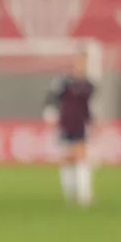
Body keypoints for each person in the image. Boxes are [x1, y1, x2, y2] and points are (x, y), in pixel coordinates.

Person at [44, 53, 95, 208]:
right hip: (66, 122)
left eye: (84, 63)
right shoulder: (64, 82)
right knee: (67, 157)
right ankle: (70, 192)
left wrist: (91, 122)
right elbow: (51, 98)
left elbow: (86, 108)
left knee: (81, 154)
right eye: (80, 62)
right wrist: (50, 115)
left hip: (80, 124)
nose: (82, 66)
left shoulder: (89, 85)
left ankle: (85, 194)